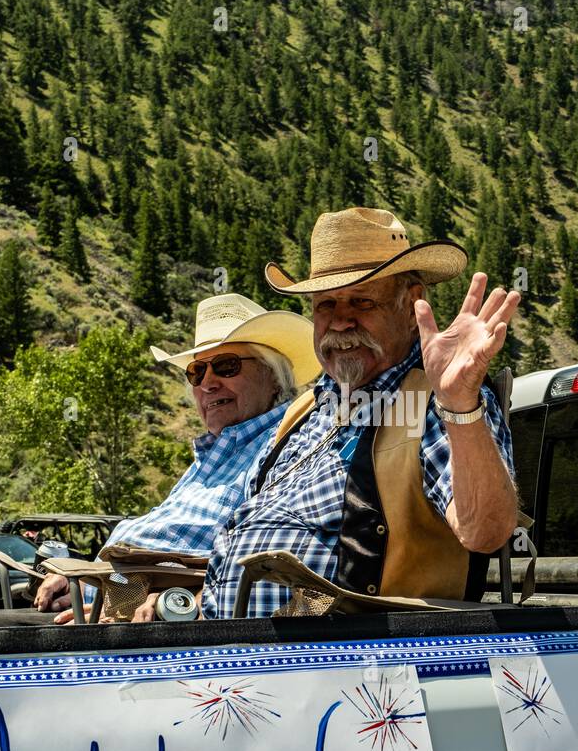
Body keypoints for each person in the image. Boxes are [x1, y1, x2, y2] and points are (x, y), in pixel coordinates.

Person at [199, 206, 520, 620]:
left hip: (348, 665)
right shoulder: (304, 411)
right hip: (234, 659)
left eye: (362, 301)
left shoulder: (434, 403)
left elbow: (486, 532)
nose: (341, 321)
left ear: (412, 305)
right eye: (326, 304)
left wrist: (459, 402)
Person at [0, 293, 319, 628]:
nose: (208, 382)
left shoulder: (284, 446)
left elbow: (247, 561)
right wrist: (82, 576)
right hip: (111, 595)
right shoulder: (214, 454)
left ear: (274, 376)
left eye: (226, 366)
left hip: (158, 614)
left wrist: (122, 594)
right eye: (196, 373)